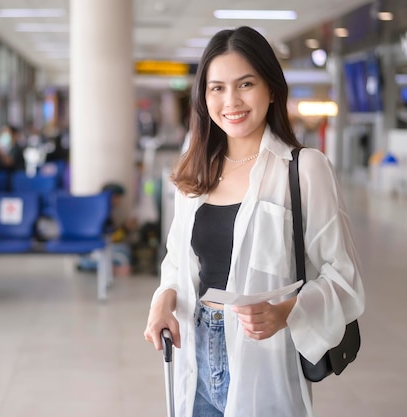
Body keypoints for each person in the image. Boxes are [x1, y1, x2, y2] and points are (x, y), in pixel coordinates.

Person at [143, 27, 365, 417]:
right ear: (203, 96)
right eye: (217, 88)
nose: (231, 101)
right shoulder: (194, 174)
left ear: (272, 89)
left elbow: (344, 280)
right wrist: (164, 297)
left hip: (265, 361)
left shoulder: (303, 169)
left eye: (245, 84)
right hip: (195, 357)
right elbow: (177, 262)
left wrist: (286, 311)